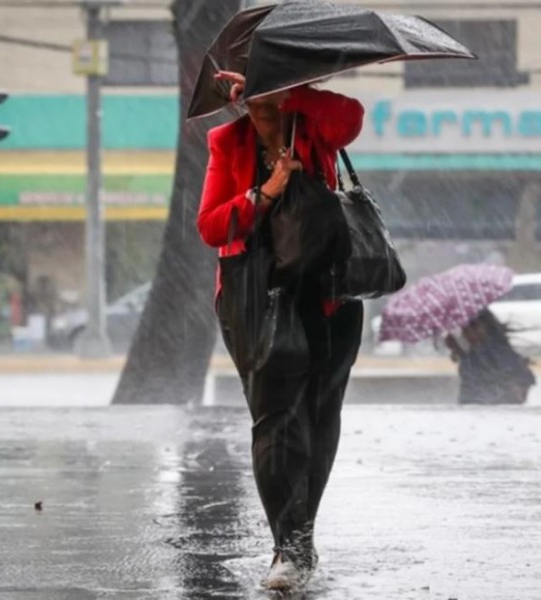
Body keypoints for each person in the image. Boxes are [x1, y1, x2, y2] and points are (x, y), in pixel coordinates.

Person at [197, 70, 364, 592]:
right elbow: (210, 225)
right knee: (275, 421)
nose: (258, 107)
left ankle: (301, 537)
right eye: (251, 98)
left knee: (319, 417)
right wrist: (264, 193)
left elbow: (352, 116)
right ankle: (287, 548)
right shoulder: (227, 142)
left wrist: (289, 91)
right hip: (256, 298)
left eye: (265, 92)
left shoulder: (315, 125)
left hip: (330, 294)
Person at [444, 309, 535, 405]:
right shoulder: (471, 355)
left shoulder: (497, 353)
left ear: (486, 327)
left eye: (473, 327)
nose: (469, 332)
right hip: (476, 407)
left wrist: (515, 389)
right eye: (464, 329)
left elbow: (523, 379)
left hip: (491, 408)